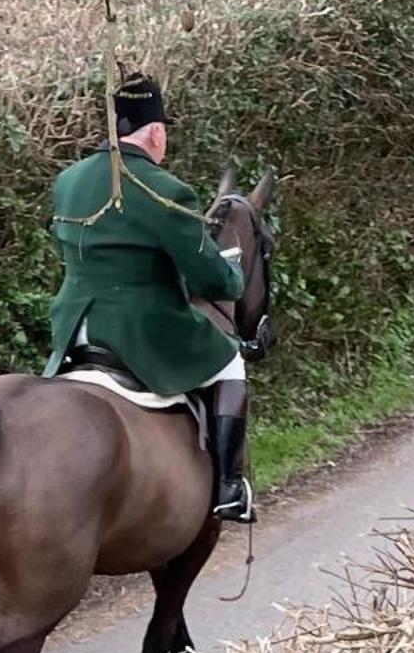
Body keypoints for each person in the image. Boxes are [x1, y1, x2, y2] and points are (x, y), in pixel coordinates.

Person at [43, 72, 255, 523]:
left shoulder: (69, 180)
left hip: (74, 326)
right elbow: (213, 280)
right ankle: (228, 489)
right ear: (155, 132)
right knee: (230, 363)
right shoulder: (163, 189)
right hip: (138, 328)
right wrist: (232, 272)